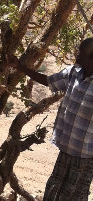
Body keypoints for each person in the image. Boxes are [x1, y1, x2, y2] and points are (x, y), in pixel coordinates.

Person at [6, 38, 93, 201]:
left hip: (85, 157)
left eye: (81, 53)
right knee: (53, 193)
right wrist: (19, 66)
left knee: (75, 196)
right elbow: (48, 81)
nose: (77, 55)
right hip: (65, 149)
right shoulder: (74, 72)